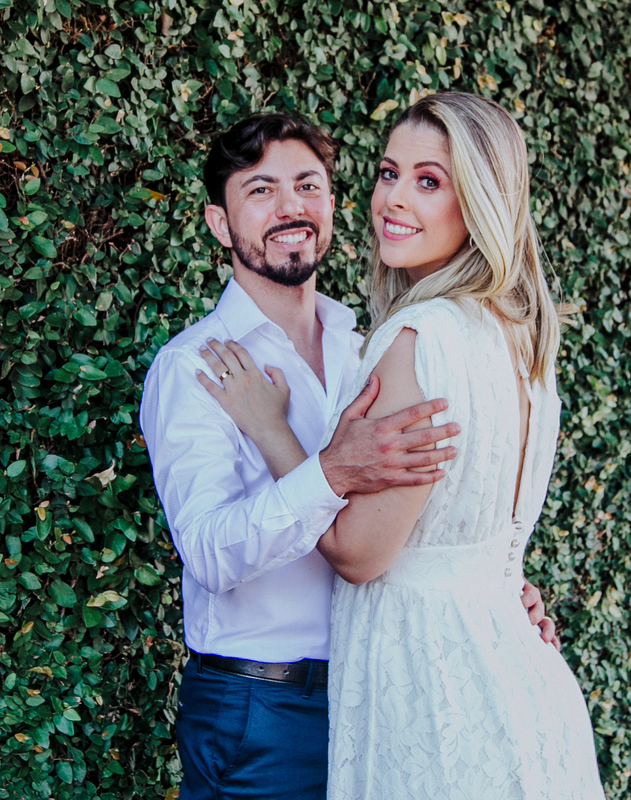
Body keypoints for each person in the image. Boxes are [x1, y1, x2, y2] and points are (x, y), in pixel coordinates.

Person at [139, 112, 559, 800]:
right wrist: (331, 471)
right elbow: (210, 554)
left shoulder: (366, 345)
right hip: (265, 708)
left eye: (307, 185)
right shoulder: (196, 367)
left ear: (332, 204)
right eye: (261, 191)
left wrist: (492, 587)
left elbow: (427, 514)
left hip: (385, 695)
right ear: (220, 223)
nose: (290, 207)